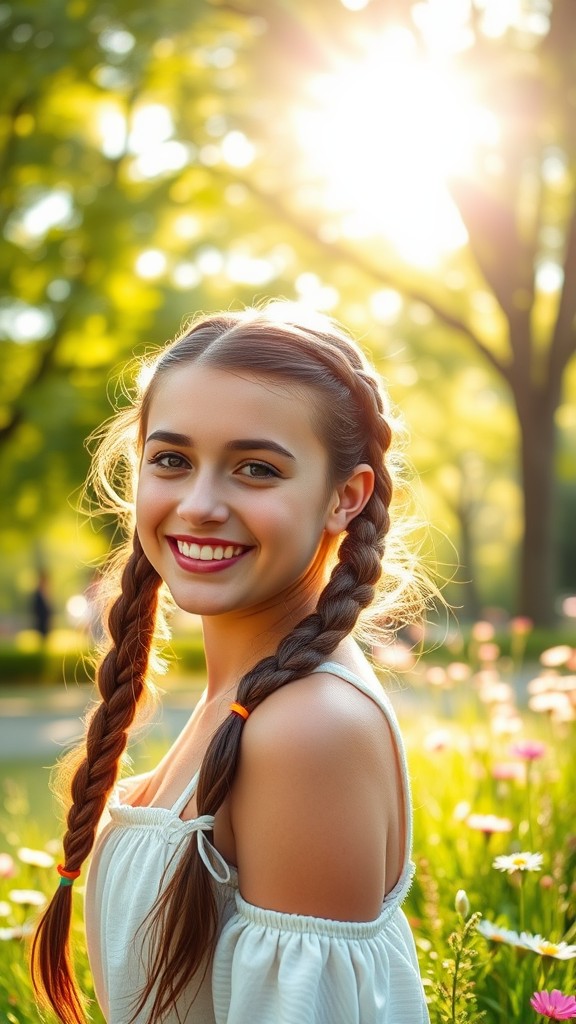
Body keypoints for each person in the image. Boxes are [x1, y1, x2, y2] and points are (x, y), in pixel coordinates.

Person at [32, 303, 436, 1024]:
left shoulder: (308, 729)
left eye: (256, 468)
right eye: (172, 460)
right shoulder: (253, 700)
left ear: (346, 497)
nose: (200, 504)